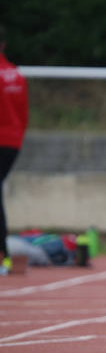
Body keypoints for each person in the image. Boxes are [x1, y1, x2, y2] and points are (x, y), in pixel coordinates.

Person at [0, 25, 28, 275]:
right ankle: (4, 255)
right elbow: (23, 114)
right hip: (13, 142)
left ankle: (3, 255)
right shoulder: (16, 74)